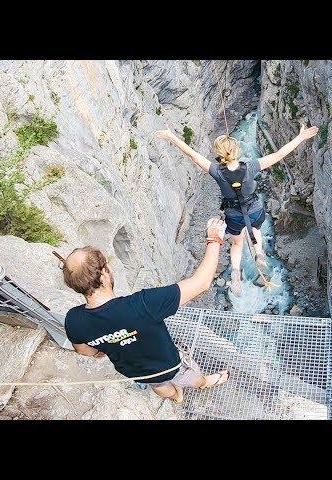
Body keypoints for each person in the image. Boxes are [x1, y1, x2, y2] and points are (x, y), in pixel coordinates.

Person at [60, 218, 230, 404]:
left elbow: (87, 351)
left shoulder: (74, 321)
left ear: (75, 286)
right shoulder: (143, 304)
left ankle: (176, 396)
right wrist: (214, 239)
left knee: (158, 385)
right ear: (104, 273)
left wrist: (112, 341)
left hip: (135, 371)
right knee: (188, 376)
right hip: (168, 365)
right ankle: (205, 382)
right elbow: (201, 283)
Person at [155, 122, 318, 295]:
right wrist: (301, 137)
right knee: (255, 228)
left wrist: (171, 136)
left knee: (236, 243)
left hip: (234, 216)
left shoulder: (217, 171)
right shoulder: (251, 167)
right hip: (254, 210)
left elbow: (194, 156)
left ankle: (235, 273)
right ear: (236, 151)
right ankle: (259, 254)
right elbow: (279, 154)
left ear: (219, 153)